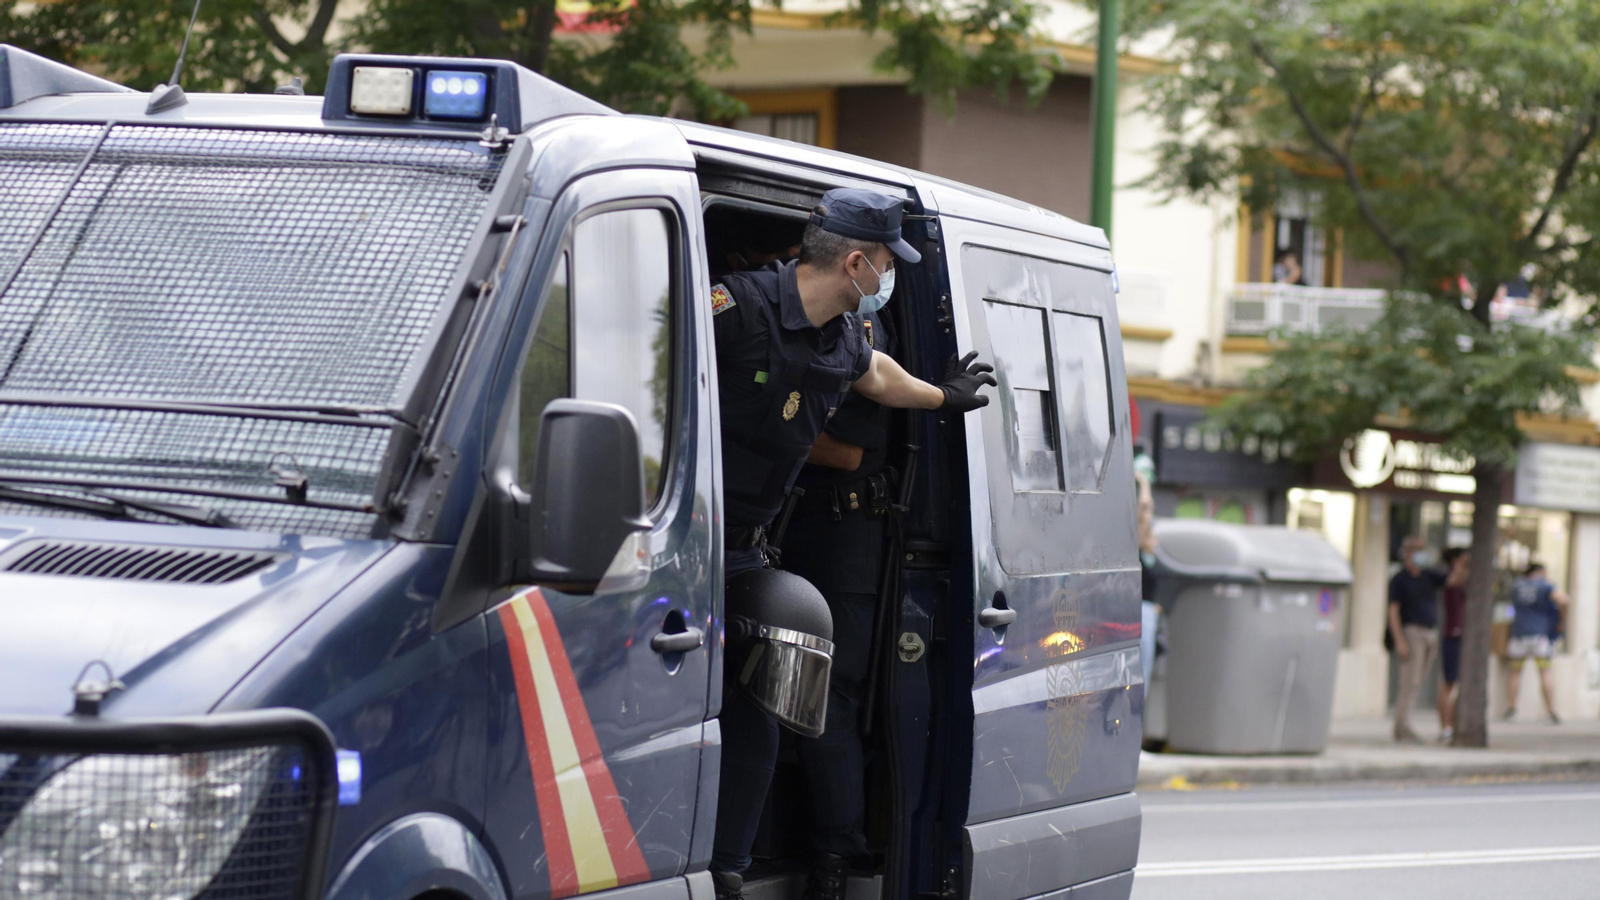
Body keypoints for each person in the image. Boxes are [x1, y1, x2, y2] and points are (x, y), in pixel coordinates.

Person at [709, 187, 995, 900]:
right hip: (686, 540)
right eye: (887, 265)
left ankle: (727, 872)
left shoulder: (842, 336)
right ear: (856, 264)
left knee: (763, 708)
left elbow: (877, 376)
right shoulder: (736, 308)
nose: (889, 278)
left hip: (744, 550)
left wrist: (943, 396)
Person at [777, 302, 896, 900]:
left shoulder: (860, 328)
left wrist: (752, 425)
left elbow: (849, 449)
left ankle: (834, 861)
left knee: (826, 701)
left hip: (842, 537)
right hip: (788, 527)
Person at [1388, 536, 1444, 743]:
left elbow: (1452, 580)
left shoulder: (1428, 576)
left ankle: (1404, 726)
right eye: (1417, 549)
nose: (1421, 553)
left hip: (1430, 633)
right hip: (1411, 633)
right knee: (1409, 682)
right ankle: (1402, 728)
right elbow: (1393, 611)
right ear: (1407, 552)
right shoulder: (1399, 579)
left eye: (1423, 549)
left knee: (1417, 681)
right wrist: (1399, 640)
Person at [1504, 563, 1569, 724]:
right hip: (1539, 636)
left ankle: (1511, 709)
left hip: (1519, 635)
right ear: (1539, 572)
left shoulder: (1516, 586)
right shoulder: (1545, 586)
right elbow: (1564, 600)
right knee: (1545, 671)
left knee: (1515, 672)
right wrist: (1561, 621)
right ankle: (1551, 711)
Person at [1435, 548, 1470, 743]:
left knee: (1456, 684)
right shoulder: (1451, 576)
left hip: (1462, 635)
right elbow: (1456, 579)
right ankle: (1446, 727)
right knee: (1449, 683)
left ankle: (1452, 725)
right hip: (1453, 634)